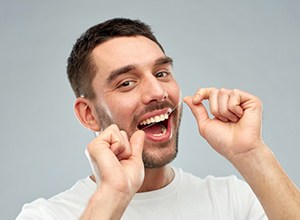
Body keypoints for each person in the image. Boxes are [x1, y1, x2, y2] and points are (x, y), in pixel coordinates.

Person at [17, 18, 300, 220]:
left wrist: (252, 154)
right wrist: (112, 195)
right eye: (127, 83)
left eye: (162, 73)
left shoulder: (234, 200)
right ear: (88, 114)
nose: (157, 92)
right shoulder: (46, 214)